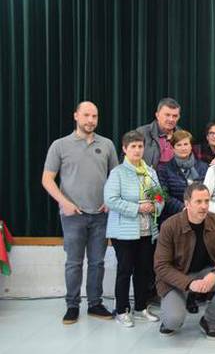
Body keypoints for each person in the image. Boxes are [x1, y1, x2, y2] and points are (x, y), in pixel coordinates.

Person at [42, 101, 119, 324]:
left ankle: (95, 303)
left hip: (100, 214)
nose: (90, 120)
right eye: (86, 115)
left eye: (94, 116)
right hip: (72, 215)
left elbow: (116, 176)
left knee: (97, 262)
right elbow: (47, 179)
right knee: (74, 263)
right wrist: (63, 202)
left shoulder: (106, 145)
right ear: (76, 115)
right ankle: (72, 305)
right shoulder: (60, 145)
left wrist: (110, 201)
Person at [154, 184, 215, 339]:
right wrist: (189, 284)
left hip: (203, 273)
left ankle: (208, 320)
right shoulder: (170, 226)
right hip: (176, 278)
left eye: (207, 201)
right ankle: (171, 312)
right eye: (198, 202)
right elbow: (161, 266)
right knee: (172, 322)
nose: (204, 206)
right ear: (187, 204)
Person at [104, 130, 164, 328]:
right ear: (124, 149)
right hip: (125, 231)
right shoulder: (117, 173)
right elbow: (111, 200)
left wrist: (155, 206)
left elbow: (159, 197)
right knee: (125, 270)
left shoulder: (150, 171)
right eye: (133, 147)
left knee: (144, 271)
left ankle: (140, 308)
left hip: (147, 229)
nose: (137, 150)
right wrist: (138, 208)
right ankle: (122, 310)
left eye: (140, 146)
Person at [157, 130, 208, 225]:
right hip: (173, 218)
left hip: (199, 217)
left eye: (186, 144)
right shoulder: (163, 169)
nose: (183, 148)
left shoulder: (203, 167)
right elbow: (164, 195)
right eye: (179, 145)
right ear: (173, 148)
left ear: (191, 146)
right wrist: (184, 208)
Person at [136, 97, 181, 168]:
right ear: (157, 115)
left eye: (175, 116)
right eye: (167, 115)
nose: (171, 119)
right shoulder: (142, 133)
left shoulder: (182, 135)